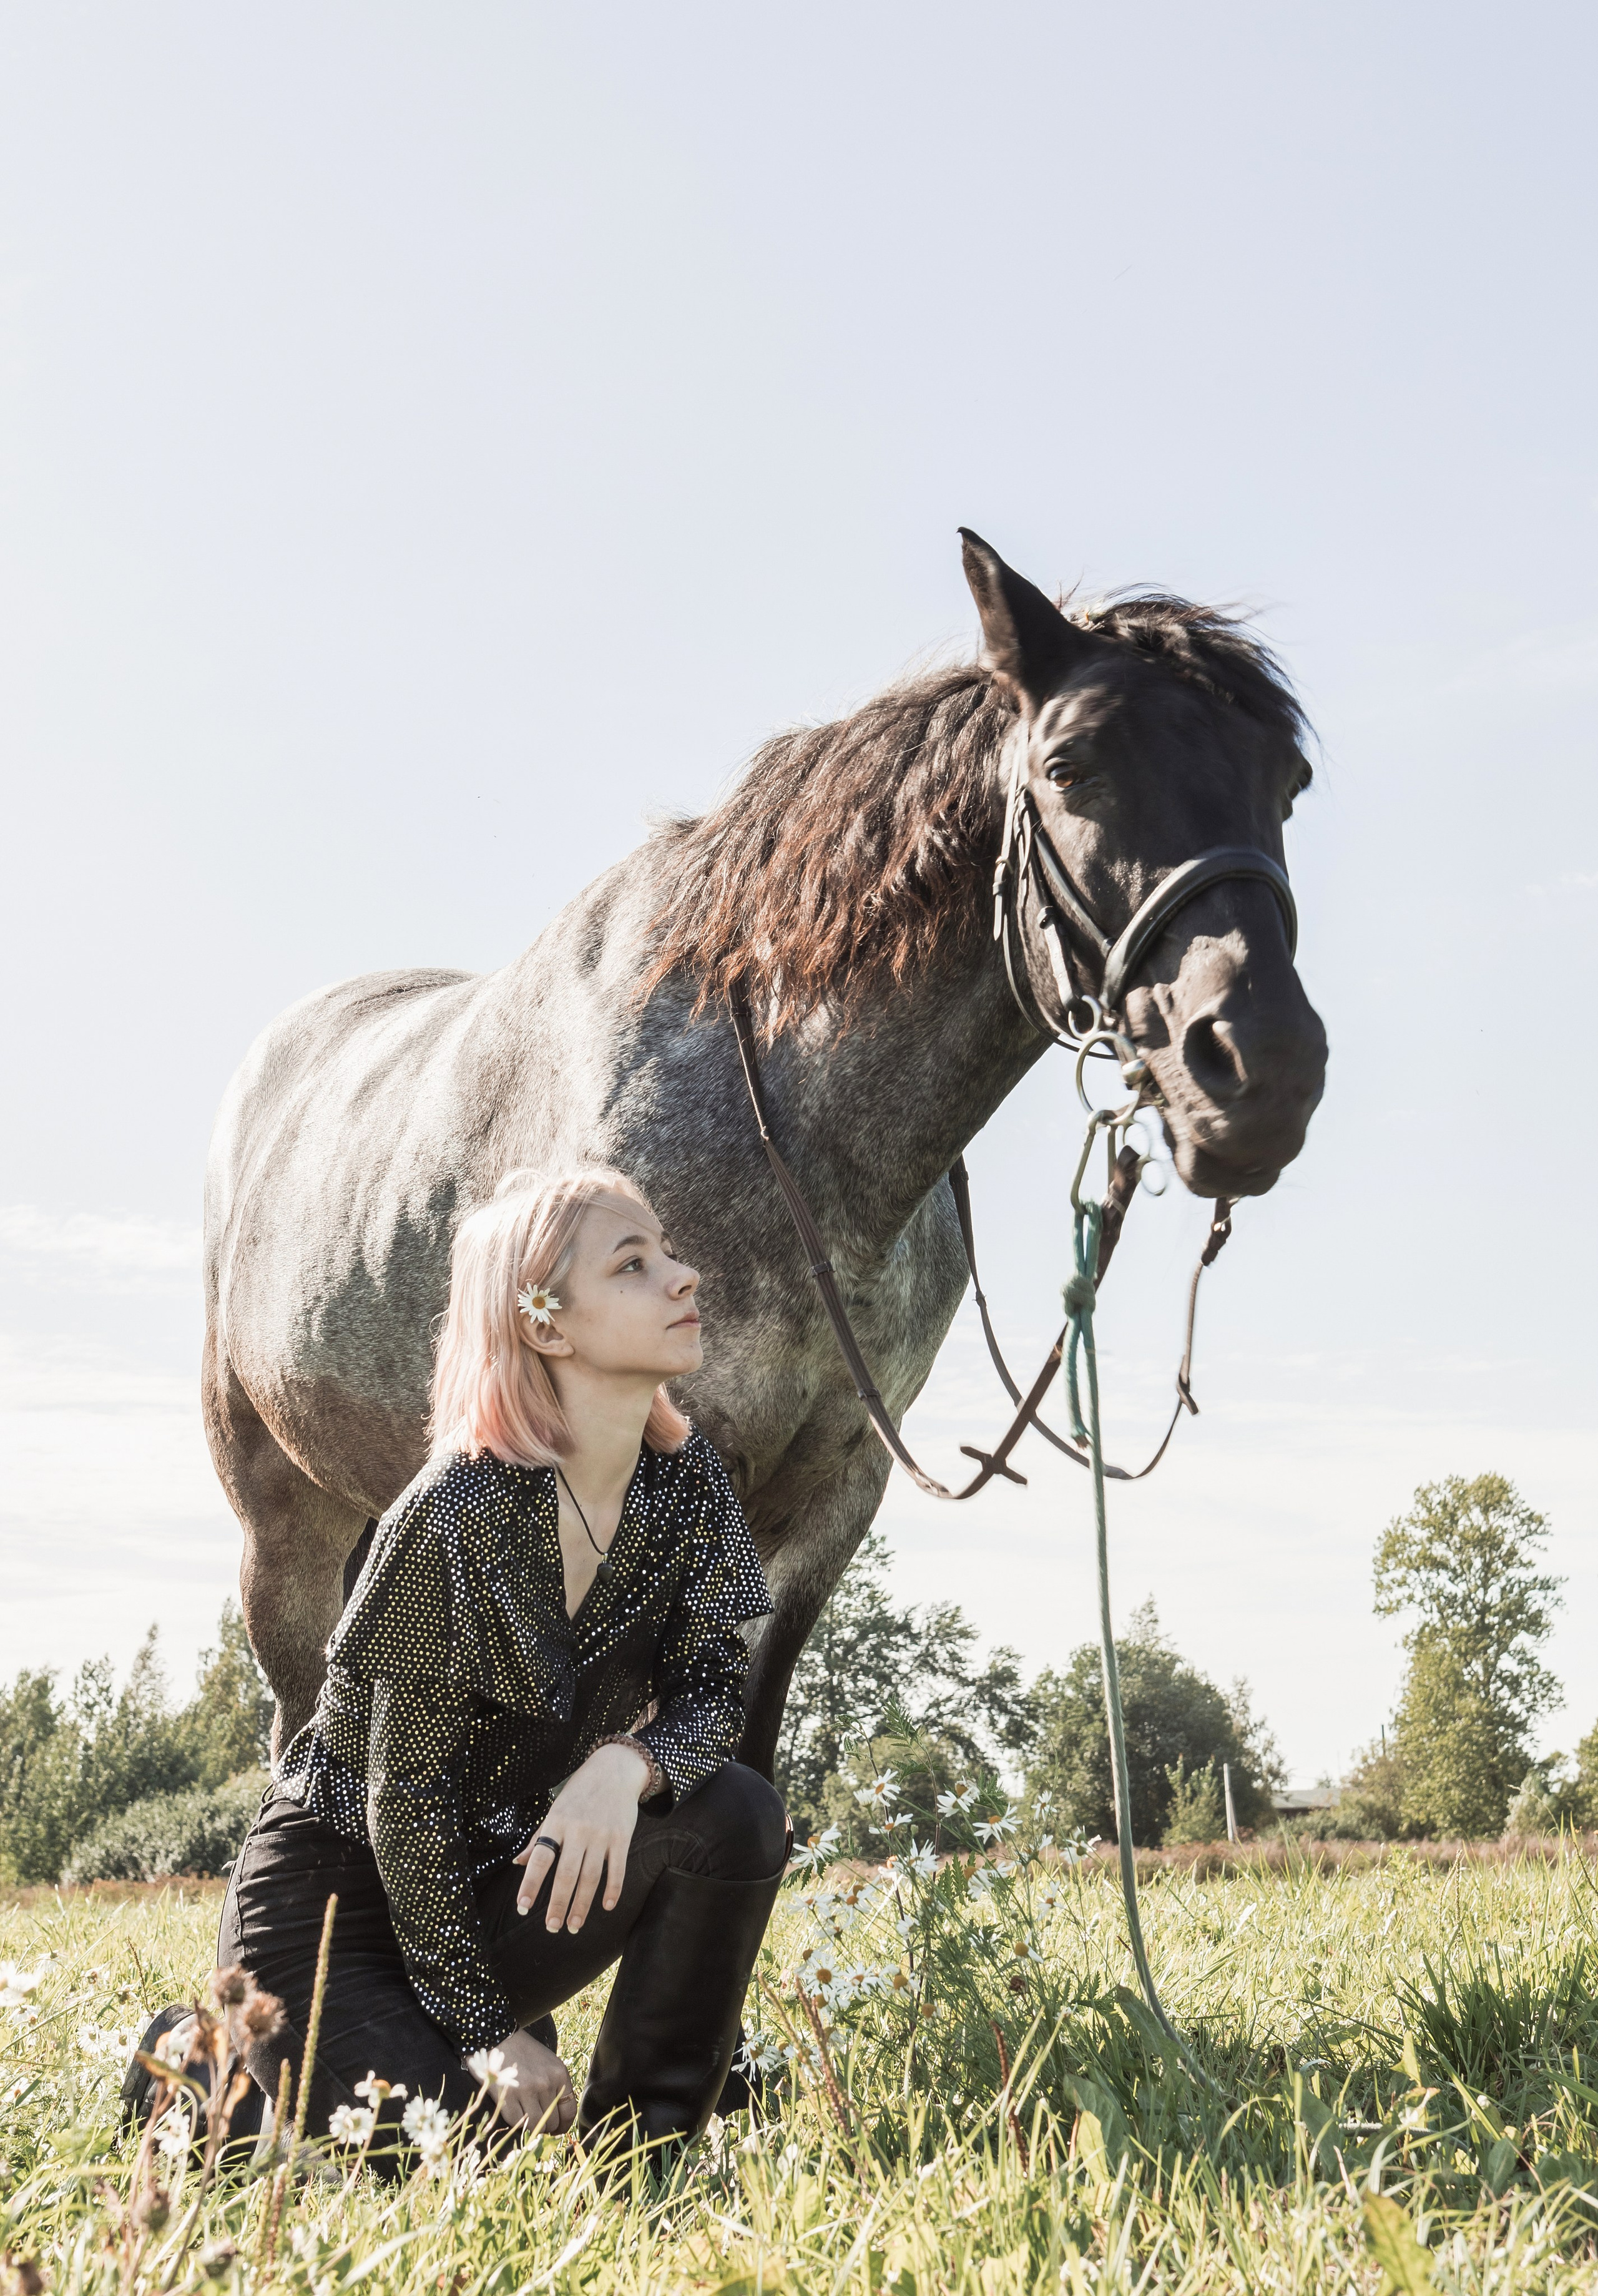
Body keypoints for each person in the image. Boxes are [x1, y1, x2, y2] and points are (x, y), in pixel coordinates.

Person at [126, 1167, 787, 2166]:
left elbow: (711, 1696)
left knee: (736, 1812)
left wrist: (627, 1766)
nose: (686, 1278)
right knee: (457, 2158)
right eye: (635, 1264)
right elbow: (407, 1797)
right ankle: (199, 2059)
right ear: (548, 1326)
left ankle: (642, 2159)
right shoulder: (456, 1509)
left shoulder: (688, 1478)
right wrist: (487, 2032)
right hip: (337, 1900)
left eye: (670, 1252)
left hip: (491, 1885)